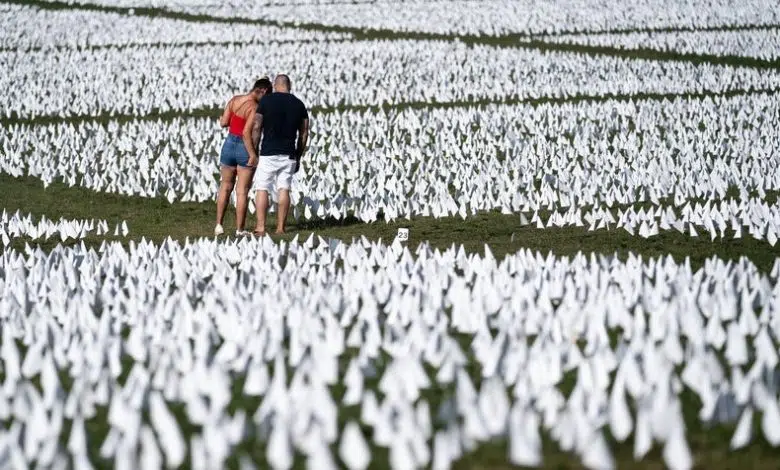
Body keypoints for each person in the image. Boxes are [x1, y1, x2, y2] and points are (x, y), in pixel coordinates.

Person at [251, 74, 310, 236]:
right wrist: (298, 155)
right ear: (289, 85)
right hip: (288, 153)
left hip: (268, 152)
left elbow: (256, 126)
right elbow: (304, 133)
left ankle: (261, 227)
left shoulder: (266, 101)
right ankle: (280, 228)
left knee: (262, 188)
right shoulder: (299, 104)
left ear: (276, 86)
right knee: (284, 189)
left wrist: (255, 150)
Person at [214, 77, 272, 236]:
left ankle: (219, 225)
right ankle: (240, 229)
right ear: (263, 92)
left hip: (228, 145)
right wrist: (253, 154)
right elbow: (247, 133)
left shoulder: (234, 100)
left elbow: (224, 122)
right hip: (244, 148)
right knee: (242, 191)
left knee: (225, 186)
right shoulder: (254, 108)